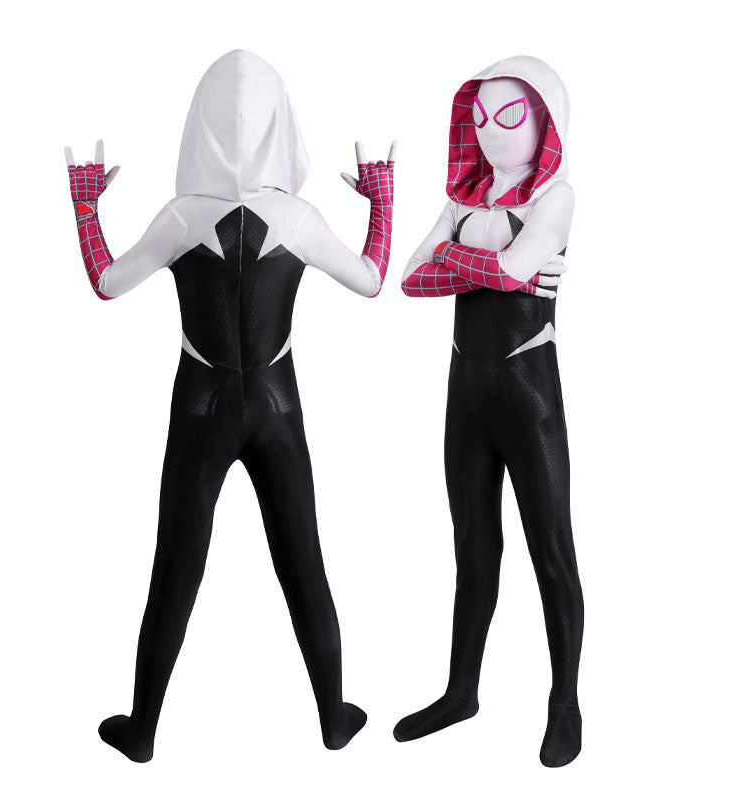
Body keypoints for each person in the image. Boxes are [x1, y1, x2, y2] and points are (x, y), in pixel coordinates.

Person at [64, 49, 395, 762]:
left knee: (176, 567)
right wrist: (383, 202)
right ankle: (333, 717)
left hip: (201, 408)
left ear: (200, 127)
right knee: (303, 561)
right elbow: (372, 279)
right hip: (278, 407)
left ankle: (143, 730)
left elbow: (106, 282)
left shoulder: (182, 216)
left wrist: (85, 205)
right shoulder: (298, 217)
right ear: (283, 123)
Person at [397, 55, 584, 768]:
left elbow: (494, 271)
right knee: (473, 547)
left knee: (552, 550)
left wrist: (461, 255)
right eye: (479, 117)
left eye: (510, 115)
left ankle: (564, 702)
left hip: (530, 397)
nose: (490, 130)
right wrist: (499, 264)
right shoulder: (463, 197)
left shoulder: (556, 196)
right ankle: (461, 692)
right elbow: (411, 280)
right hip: (466, 397)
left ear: (545, 121)